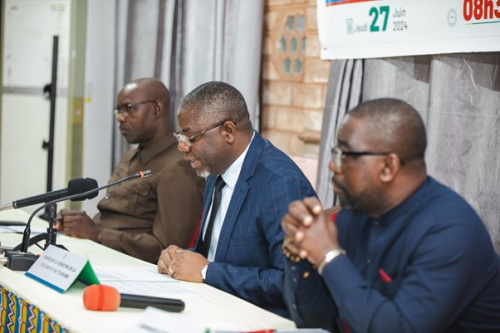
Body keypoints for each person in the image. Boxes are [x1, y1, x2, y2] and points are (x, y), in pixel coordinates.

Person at [281, 98, 500, 332]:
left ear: (388, 167)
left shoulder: (449, 231)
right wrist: (301, 256)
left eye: (345, 154)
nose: (333, 166)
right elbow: (314, 319)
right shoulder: (356, 215)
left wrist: (328, 254)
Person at [157, 81, 316, 318]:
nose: (182, 146)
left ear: (228, 131)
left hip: (259, 317)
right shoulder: (216, 169)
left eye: (191, 137)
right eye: (180, 135)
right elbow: (215, 255)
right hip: (211, 305)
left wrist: (207, 272)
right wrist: (180, 257)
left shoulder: (280, 184)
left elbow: (294, 283)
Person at [56, 78, 205, 264]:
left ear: (156, 109)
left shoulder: (179, 166)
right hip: (98, 252)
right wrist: (77, 225)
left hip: (125, 267)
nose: (120, 117)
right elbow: (114, 218)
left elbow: (169, 249)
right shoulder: (130, 156)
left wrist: (98, 234)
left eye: (129, 108)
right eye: (118, 110)